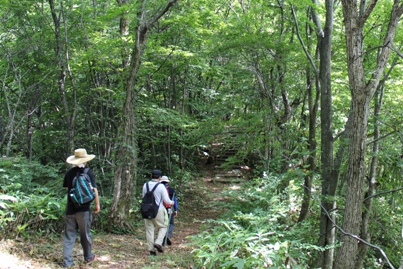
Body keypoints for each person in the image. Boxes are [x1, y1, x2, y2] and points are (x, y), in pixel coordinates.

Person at [62, 148, 100, 268]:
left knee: (69, 235)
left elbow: (67, 190)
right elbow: (94, 190)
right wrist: (97, 204)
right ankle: (88, 257)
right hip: (84, 210)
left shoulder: (69, 173)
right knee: (85, 234)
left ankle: (67, 262)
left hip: (70, 209)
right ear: (85, 160)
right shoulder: (88, 172)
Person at [142, 169, 174, 256]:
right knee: (163, 226)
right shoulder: (161, 187)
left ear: (151, 176)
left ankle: (151, 250)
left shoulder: (145, 185)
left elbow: (143, 197)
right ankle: (158, 242)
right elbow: (166, 200)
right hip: (158, 210)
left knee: (149, 230)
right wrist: (171, 202)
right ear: (159, 178)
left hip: (146, 209)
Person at [160, 175, 178, 246]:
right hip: (169, 208)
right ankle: (167, 235)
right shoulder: (171, 190)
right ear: (167, 182)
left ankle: (162, 237)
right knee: (171, 223)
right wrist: (176, 209)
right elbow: (175, 200)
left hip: (160, 208)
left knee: (162, 223)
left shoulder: (158, 188)